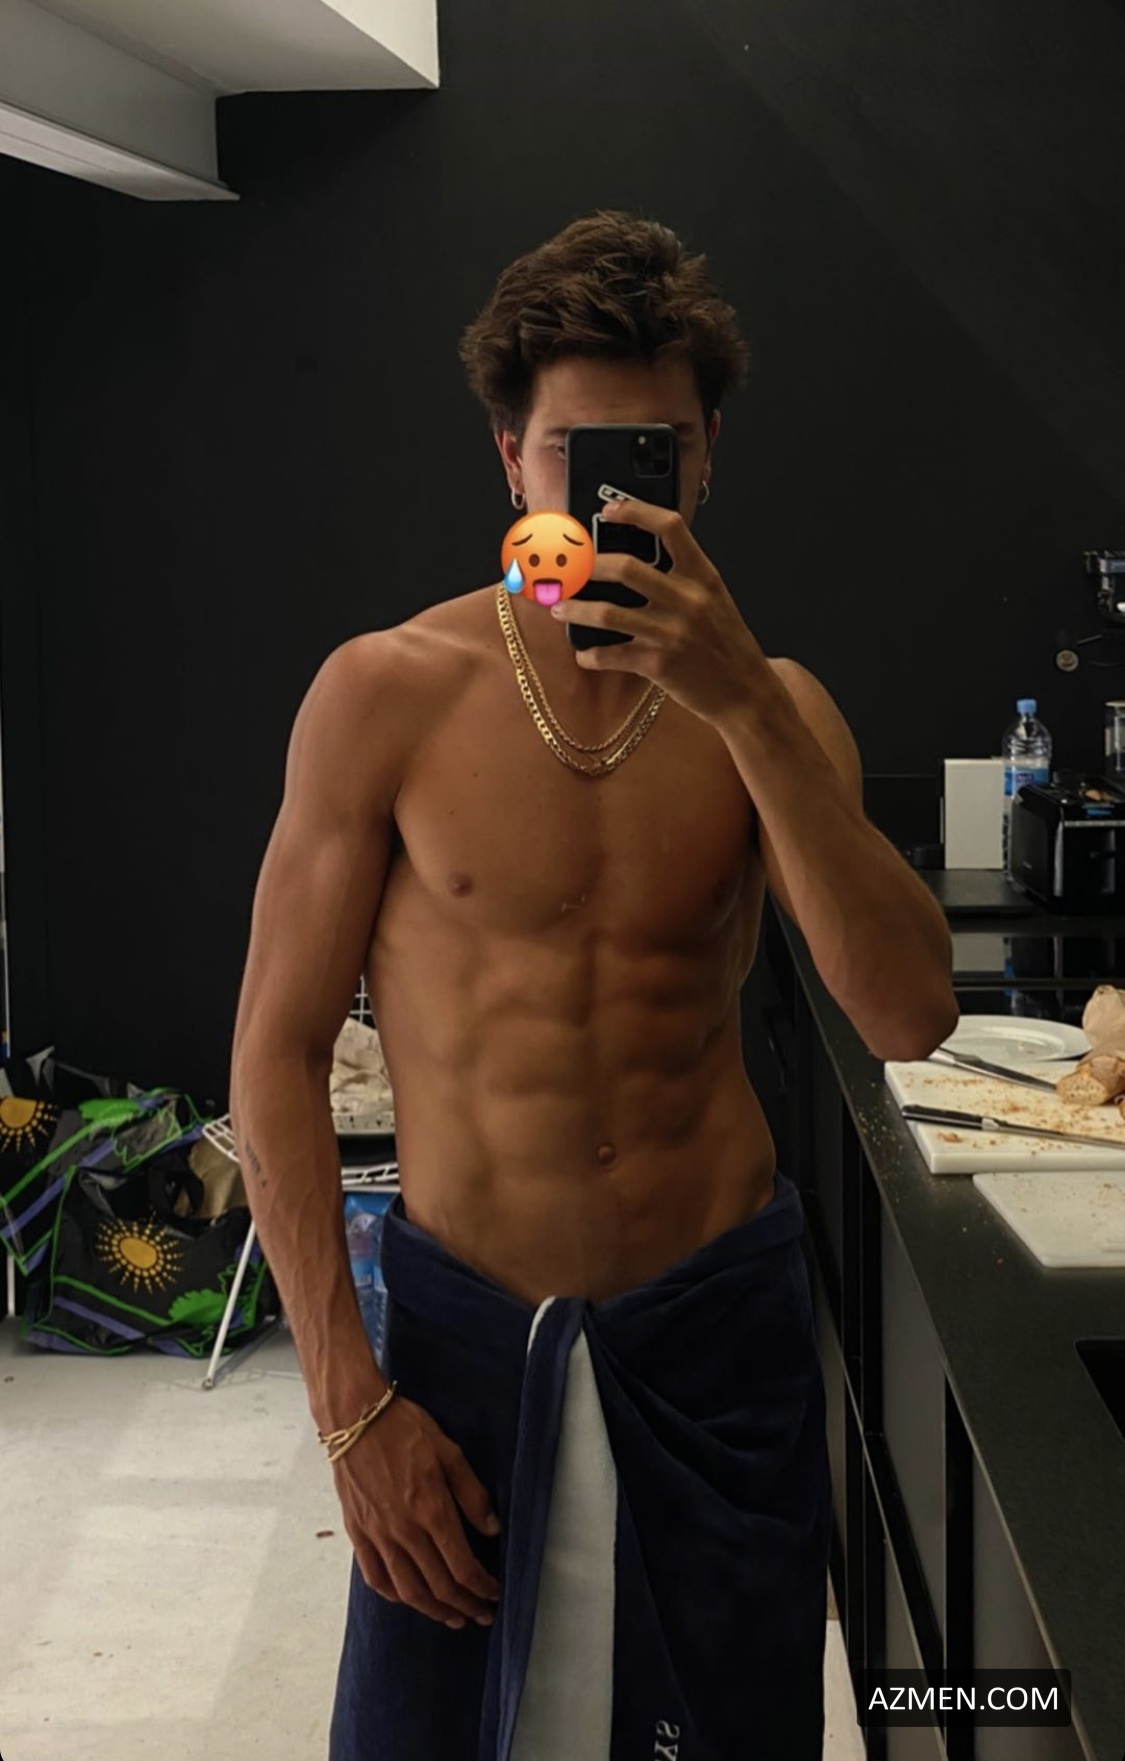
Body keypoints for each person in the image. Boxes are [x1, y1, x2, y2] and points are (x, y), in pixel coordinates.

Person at [229, 209, 958, 1760]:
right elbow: (274, 1054)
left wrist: (743, 707)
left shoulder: (778, 710)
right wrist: (348, 1405)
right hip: (464, 1340)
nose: (613, 495)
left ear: (706, 461)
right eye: (573, 453)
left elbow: (906, 1013)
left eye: (656, 454)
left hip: (716, 1336)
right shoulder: (383, 695)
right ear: (510, 460)